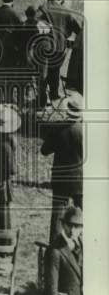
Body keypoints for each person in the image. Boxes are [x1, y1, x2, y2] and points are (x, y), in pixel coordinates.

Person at [41, 93, 83, 243]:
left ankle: (55, 246)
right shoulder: (83, 130)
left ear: (67, 111)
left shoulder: (58, 129)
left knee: (57, 216)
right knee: (83, 212)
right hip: (79, 179)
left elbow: (44, 150)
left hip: (60, 179)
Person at [46, 205, 83, 295]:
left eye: (77, 226)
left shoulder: (83, 244)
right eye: (70, 225)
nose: (73, 230)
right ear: (63, 224)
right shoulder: (55, 250)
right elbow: (51, 286)